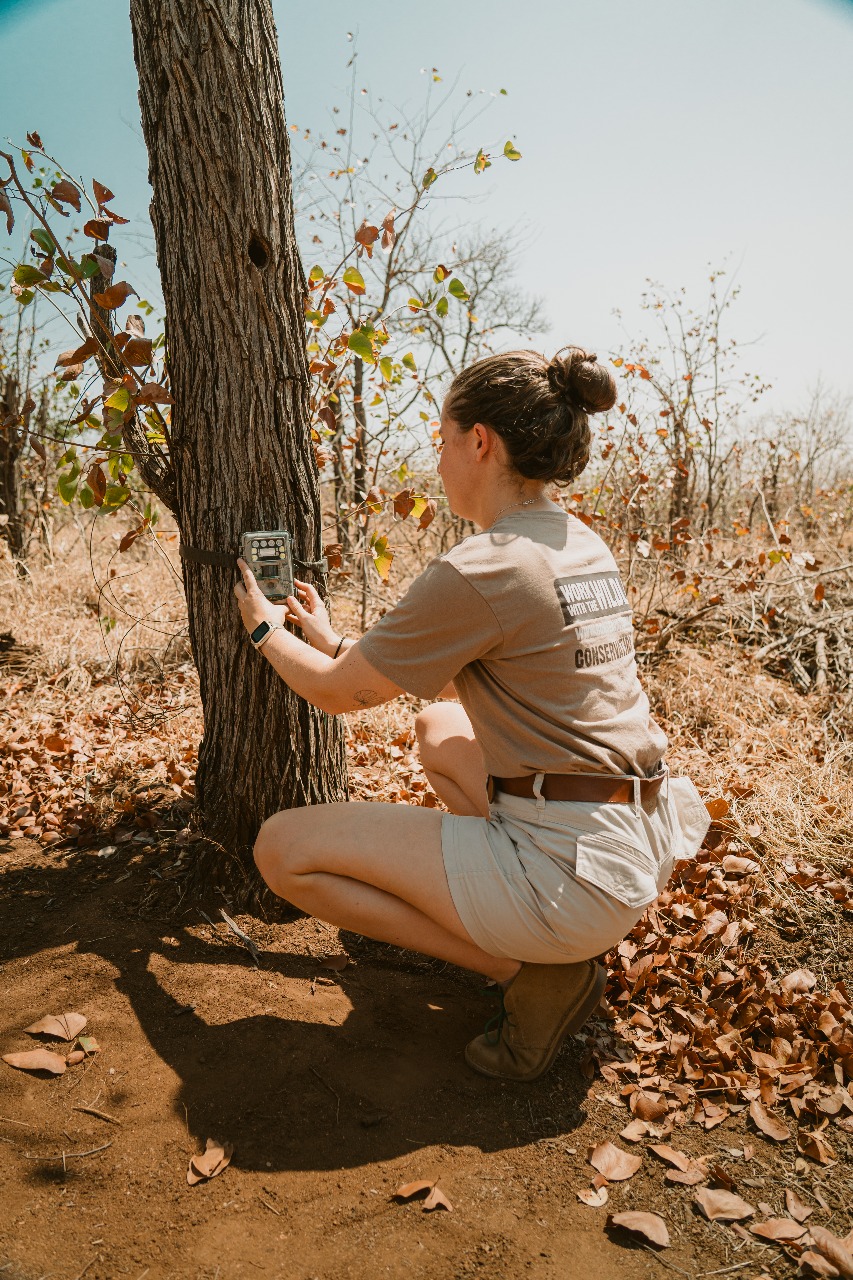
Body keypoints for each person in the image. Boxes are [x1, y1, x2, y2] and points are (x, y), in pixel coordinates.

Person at [234, 346, 707, 1083]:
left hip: (573, 872)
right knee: (439, 731)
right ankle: (536, 931)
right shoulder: (575, 542)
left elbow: (335, 695)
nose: (440, 458)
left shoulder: (487, 564)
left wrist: (265, 630)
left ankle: (526, 968)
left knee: (279, 849)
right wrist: (334, 642)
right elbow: (495, 682)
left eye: (443, 439)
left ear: (479, 441)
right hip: (632, 843)